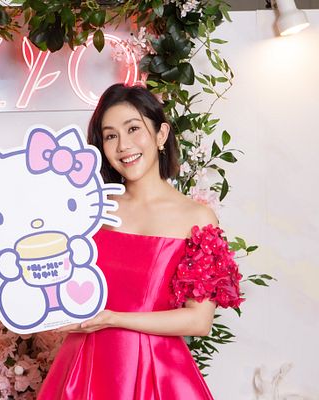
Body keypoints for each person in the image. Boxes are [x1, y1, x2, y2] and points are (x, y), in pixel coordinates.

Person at [37, 83, 237, 400]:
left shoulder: (197, 218)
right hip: (82, 367)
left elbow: (199, 320)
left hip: (155, 373)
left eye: (133, 129)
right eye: (110, 136)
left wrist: (114, 319)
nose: (123, 146)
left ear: (161, 134)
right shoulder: (88, 209)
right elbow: (46, 270)